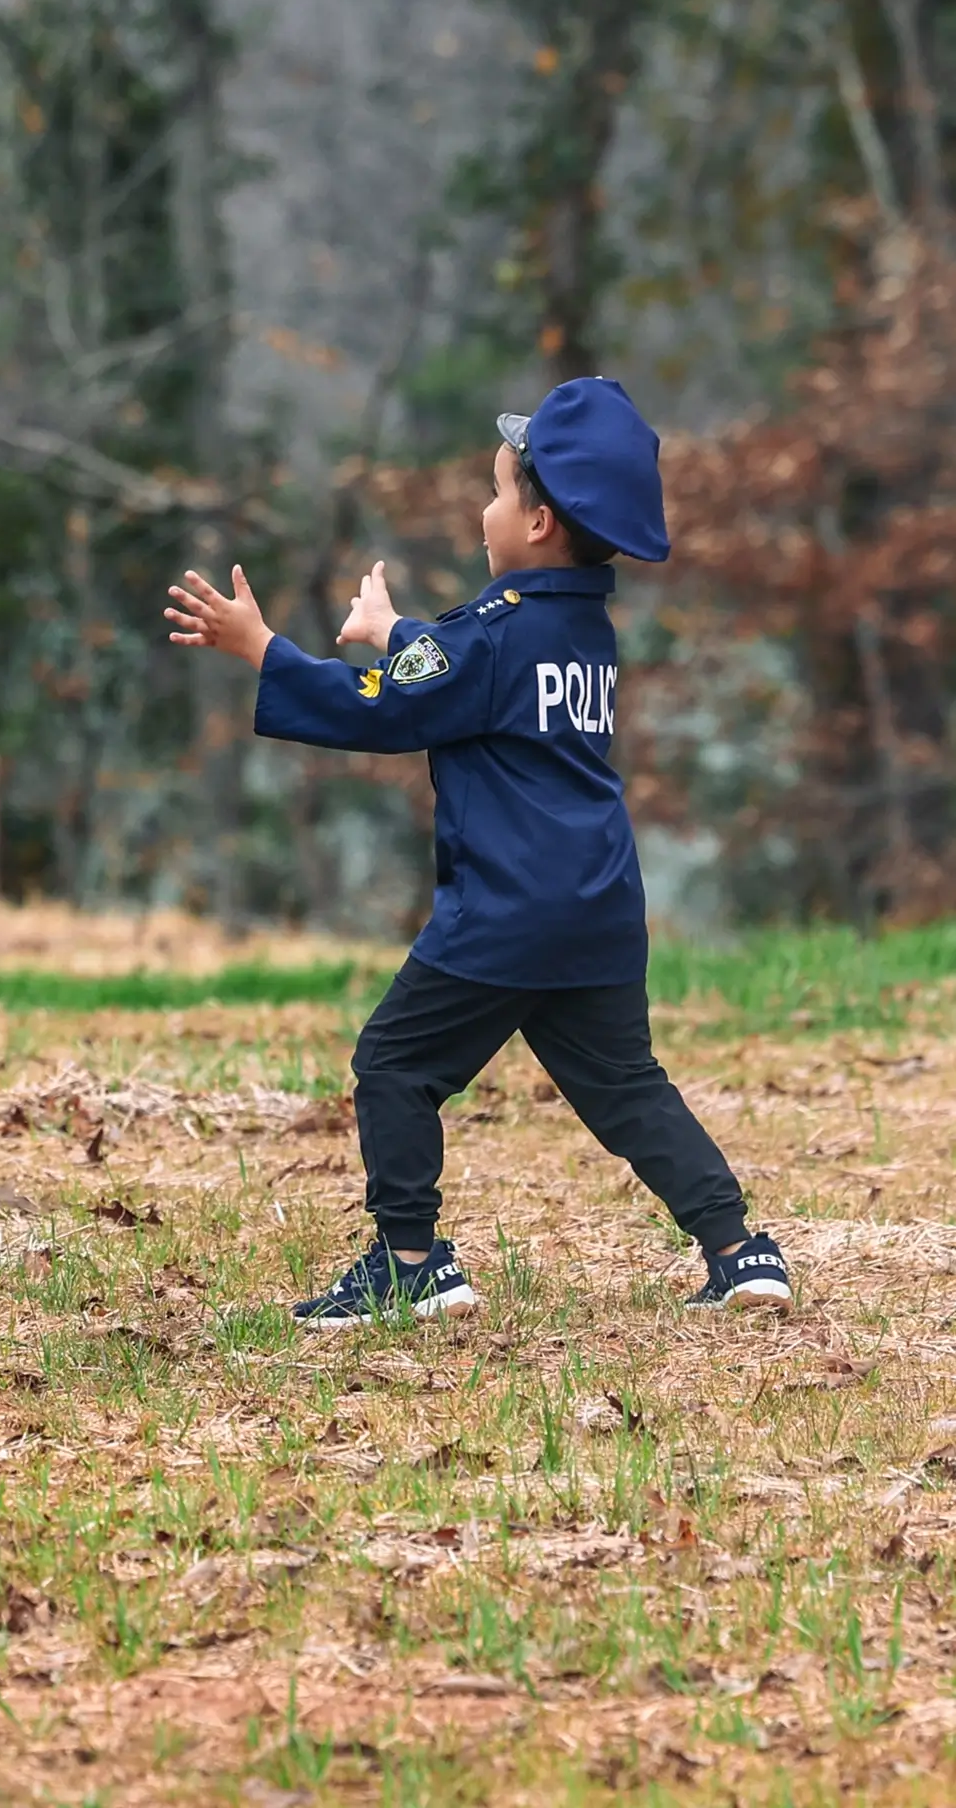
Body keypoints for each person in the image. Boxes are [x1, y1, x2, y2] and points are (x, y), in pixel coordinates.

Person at [163, 377, 792, 1329]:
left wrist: (263, 649)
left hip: (506, 913)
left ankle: (411, 1261)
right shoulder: (585, 629)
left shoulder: (493, 635)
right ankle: (740, 1249)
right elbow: (455, 668)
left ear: (538, 525)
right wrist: (395, 633)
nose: (483, 509)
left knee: (393, 1065)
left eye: (498, 492)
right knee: (626, 1087)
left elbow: (387, 701)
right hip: (598, 907)